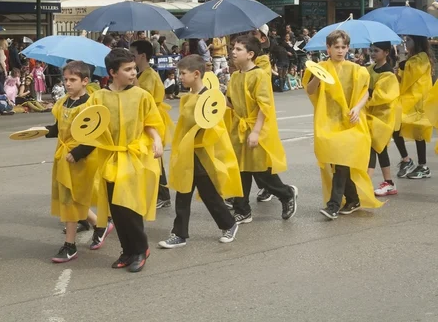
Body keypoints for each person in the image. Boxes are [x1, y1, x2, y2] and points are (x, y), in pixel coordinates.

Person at [87, 48, 164, 273]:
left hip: (133, 156)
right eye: (127, 69)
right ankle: (127, 250)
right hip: (110, 157)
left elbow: (151, 121)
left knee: (130, 206)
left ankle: (141, 249)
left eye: (133, 68)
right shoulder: (99, 97)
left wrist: (157, 140)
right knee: (116, 207)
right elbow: (87, 124)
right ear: (112, 72)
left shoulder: (141, 95)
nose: (133, 73)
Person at [158, 55, 241, 249]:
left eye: (183, 73)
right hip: (188, 153)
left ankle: (227, 223)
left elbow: (214, 126)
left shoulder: (210, 98)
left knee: (207, 194)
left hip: (201, 154)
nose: (180, 77)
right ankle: (180, 233)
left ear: (196, 74)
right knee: (184, 192)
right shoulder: (189, 96)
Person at [304, 30, 384, 220]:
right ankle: (353, 199)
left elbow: (366, 92)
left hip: (351, 123)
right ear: (328, 48)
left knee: (341, 163)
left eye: (343, 47)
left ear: (348, 48)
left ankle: (333, 206)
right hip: (328, 123)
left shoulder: (357, 69)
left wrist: (357, 108)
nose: (340, 51)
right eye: (336, 47)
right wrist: (318, 76)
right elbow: (309, 89)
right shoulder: (320, 67)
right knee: (338, 163)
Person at [46, 61, 114, 262]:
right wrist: (42, 131)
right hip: (64, 156)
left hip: (81, 159)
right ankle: (100, 224)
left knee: (73, 199)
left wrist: (79, 152)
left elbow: (97, 134)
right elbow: (58, 128)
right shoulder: (63, 103)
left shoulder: (91, 104)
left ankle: (70, 245)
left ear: (85, 81)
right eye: (65, 79)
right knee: (70, 198)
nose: (68, 83)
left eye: (73, 80)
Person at [227, 36, 298, 224]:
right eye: (233, 48)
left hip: (255, 127)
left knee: (260, 171)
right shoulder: (235, 76)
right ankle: (242, 210)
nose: (233, 52)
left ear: (250, 54)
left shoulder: (259, 75)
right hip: (238, 128)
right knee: (240, 170)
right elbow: (231, 104)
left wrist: (256, 132)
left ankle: (286, 194)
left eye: (239, 49)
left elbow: (263, 106)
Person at [131, 40, 174, 210]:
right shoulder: (142, 74)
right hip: (145, 120)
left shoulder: (149, 75)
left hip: (152, 120)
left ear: (142, 56)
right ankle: (159, 194)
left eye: (133, 55)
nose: (131, 58)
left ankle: (162, 195)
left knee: (154, 157)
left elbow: (143, 99)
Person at [393, 35, 434, 179]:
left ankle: (423, 165)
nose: (406, 42)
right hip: (409, 100)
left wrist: (403, 65)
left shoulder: (422, 57)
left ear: (417, 42)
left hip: (417, 102)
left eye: (409, 40)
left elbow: (412, 71)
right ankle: (407, 160)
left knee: (418, 133)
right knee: (396, 128)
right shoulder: (414, 58)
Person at [366, 42, 399, 196]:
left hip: (383, 117)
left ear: (386, 52)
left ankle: (365, 183)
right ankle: (389, 182)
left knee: (374, 147)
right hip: (371, 115)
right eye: (371, 50)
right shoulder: (371, 69)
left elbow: (382, 96)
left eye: (376, 51)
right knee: (380, 149)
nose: (372, 53)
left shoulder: (388, 74)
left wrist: (368, 91)